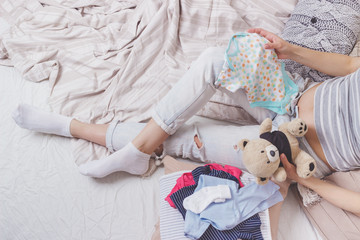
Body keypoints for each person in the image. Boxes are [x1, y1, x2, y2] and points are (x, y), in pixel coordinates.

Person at [12, 28, 360, 238]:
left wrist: (310, 182)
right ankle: (138, 148)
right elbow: (348, 66)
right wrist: (289, 50)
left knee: (186, 140)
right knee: (215, 59)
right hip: (293, 94)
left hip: (297, 151)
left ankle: (71, 127)